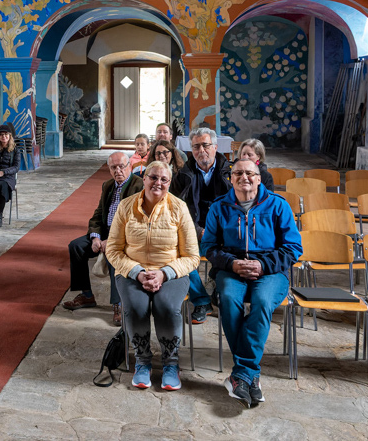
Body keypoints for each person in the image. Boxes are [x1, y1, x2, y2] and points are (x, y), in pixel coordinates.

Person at [201, 159, 302, 408]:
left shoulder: (278, 205)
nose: (243, 177)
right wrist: (232, 263)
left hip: (270, 271)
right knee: (228, 298)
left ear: (258, 178)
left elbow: (293, 247)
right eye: (238, 173)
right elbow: (208, 247)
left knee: (262, 301)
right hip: (231, 269)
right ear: (231, 178)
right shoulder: (219, 207)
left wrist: (263, 265)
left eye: (249, 173)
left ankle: (242, 374)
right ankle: (250, 376)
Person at [106, 160, 200, 390]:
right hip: (131, 272)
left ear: (169, 183)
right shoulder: (126, 206)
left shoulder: (178, 208)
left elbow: (192, 257)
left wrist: (164, 273)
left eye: (164, 179)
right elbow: (113, 250)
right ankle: (142, 361)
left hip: (170, 273)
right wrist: (137, 272)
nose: (158, 183)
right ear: (144, 178)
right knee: (136, 307)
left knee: (166, 306)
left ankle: (171, 363)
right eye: (153, 177)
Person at [63, 151, 143, 326]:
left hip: (125, 236)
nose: (118, 171)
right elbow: (98, 215)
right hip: (105, 232)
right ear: (109, 169)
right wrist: (95, 238)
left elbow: (136, 220)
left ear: (129, 166)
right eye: (113, 167)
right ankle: (86, 295)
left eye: (121, 166)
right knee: (76, 246)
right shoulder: (108, 185)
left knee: (113, 255)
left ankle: (118, 304)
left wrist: (113, 240)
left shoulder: (139, 185)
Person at [170, 127, 231, 323]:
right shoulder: (183, 175)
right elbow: (176, 209)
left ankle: (220, 290)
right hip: (193, 231)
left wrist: (215, 232)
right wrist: (197, 230)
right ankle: (201, 300)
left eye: (205, 145)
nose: (201, 150)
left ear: (215, 147)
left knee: (235, 252)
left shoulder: (230, 172)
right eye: (196, 147)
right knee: (177, 255)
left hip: (223, 232)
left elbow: (236, 207)